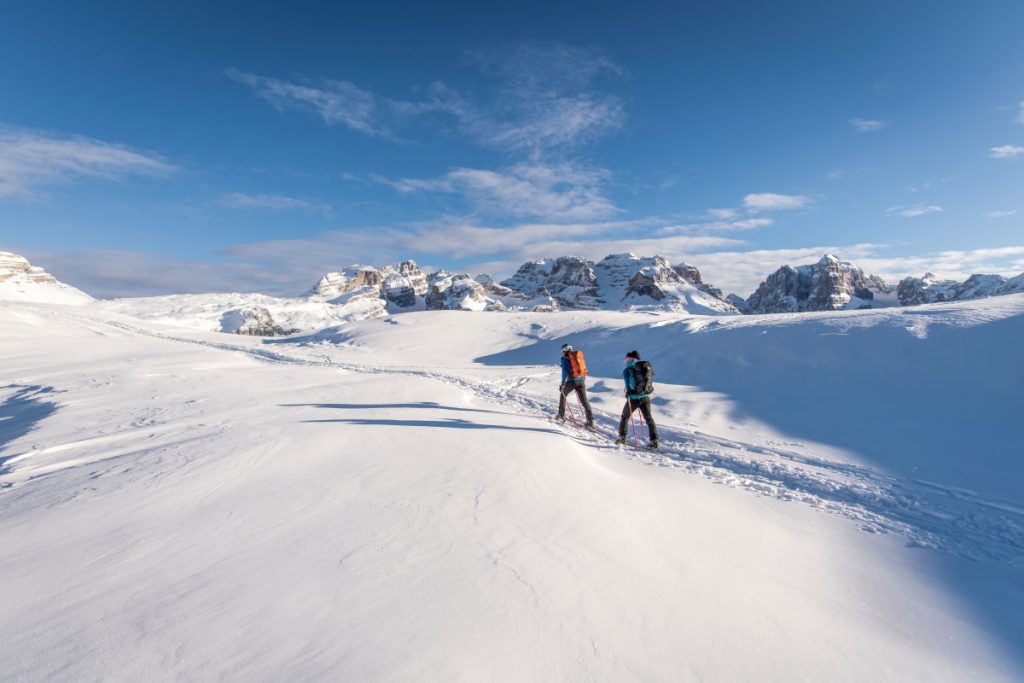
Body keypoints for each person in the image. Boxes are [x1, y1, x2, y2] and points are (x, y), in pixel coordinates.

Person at [616, 350, 659, 448]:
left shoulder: (628, 370)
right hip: (645, 397)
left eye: (626, 358)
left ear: (629, 359)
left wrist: (628, 393)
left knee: (625, 417)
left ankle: (622, 438)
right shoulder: (643, 367)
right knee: (649, 419)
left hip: (634, 399)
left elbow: (628, 385)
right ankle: (654, 441)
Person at [557, 343, 594, 428]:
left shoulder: (564, 359)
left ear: (564, 351)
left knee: (563, 395)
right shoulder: (577, 356)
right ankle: (590, 420)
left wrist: (563, 383)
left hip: (572, 381)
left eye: (562, 351)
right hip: (581, 381)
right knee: (584, 401)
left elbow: (565, 372)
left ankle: (561, 415)